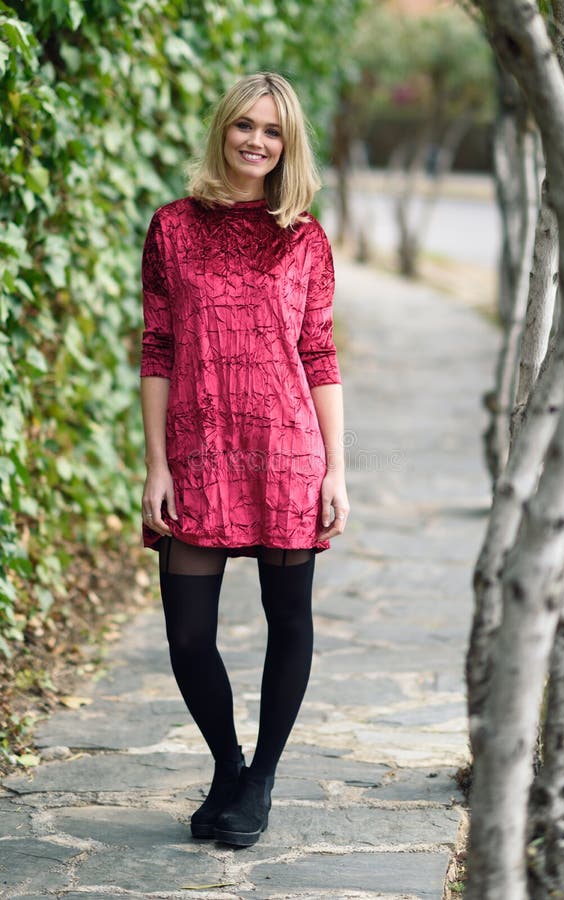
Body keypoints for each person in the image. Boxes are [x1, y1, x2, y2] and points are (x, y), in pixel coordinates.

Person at [139, 71, 349, 848]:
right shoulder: (171, 228)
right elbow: (158, 347)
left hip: (285, 451)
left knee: (286, 620)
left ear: (287, 144)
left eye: (272, 131)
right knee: (188, 635)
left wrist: (337, 469)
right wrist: (154, 465)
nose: (256, 142)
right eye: (244, 127)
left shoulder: (303, 237)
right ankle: (228, 764)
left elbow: (319, 354)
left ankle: (259, 780)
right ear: (222, 129)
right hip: (197, 452)